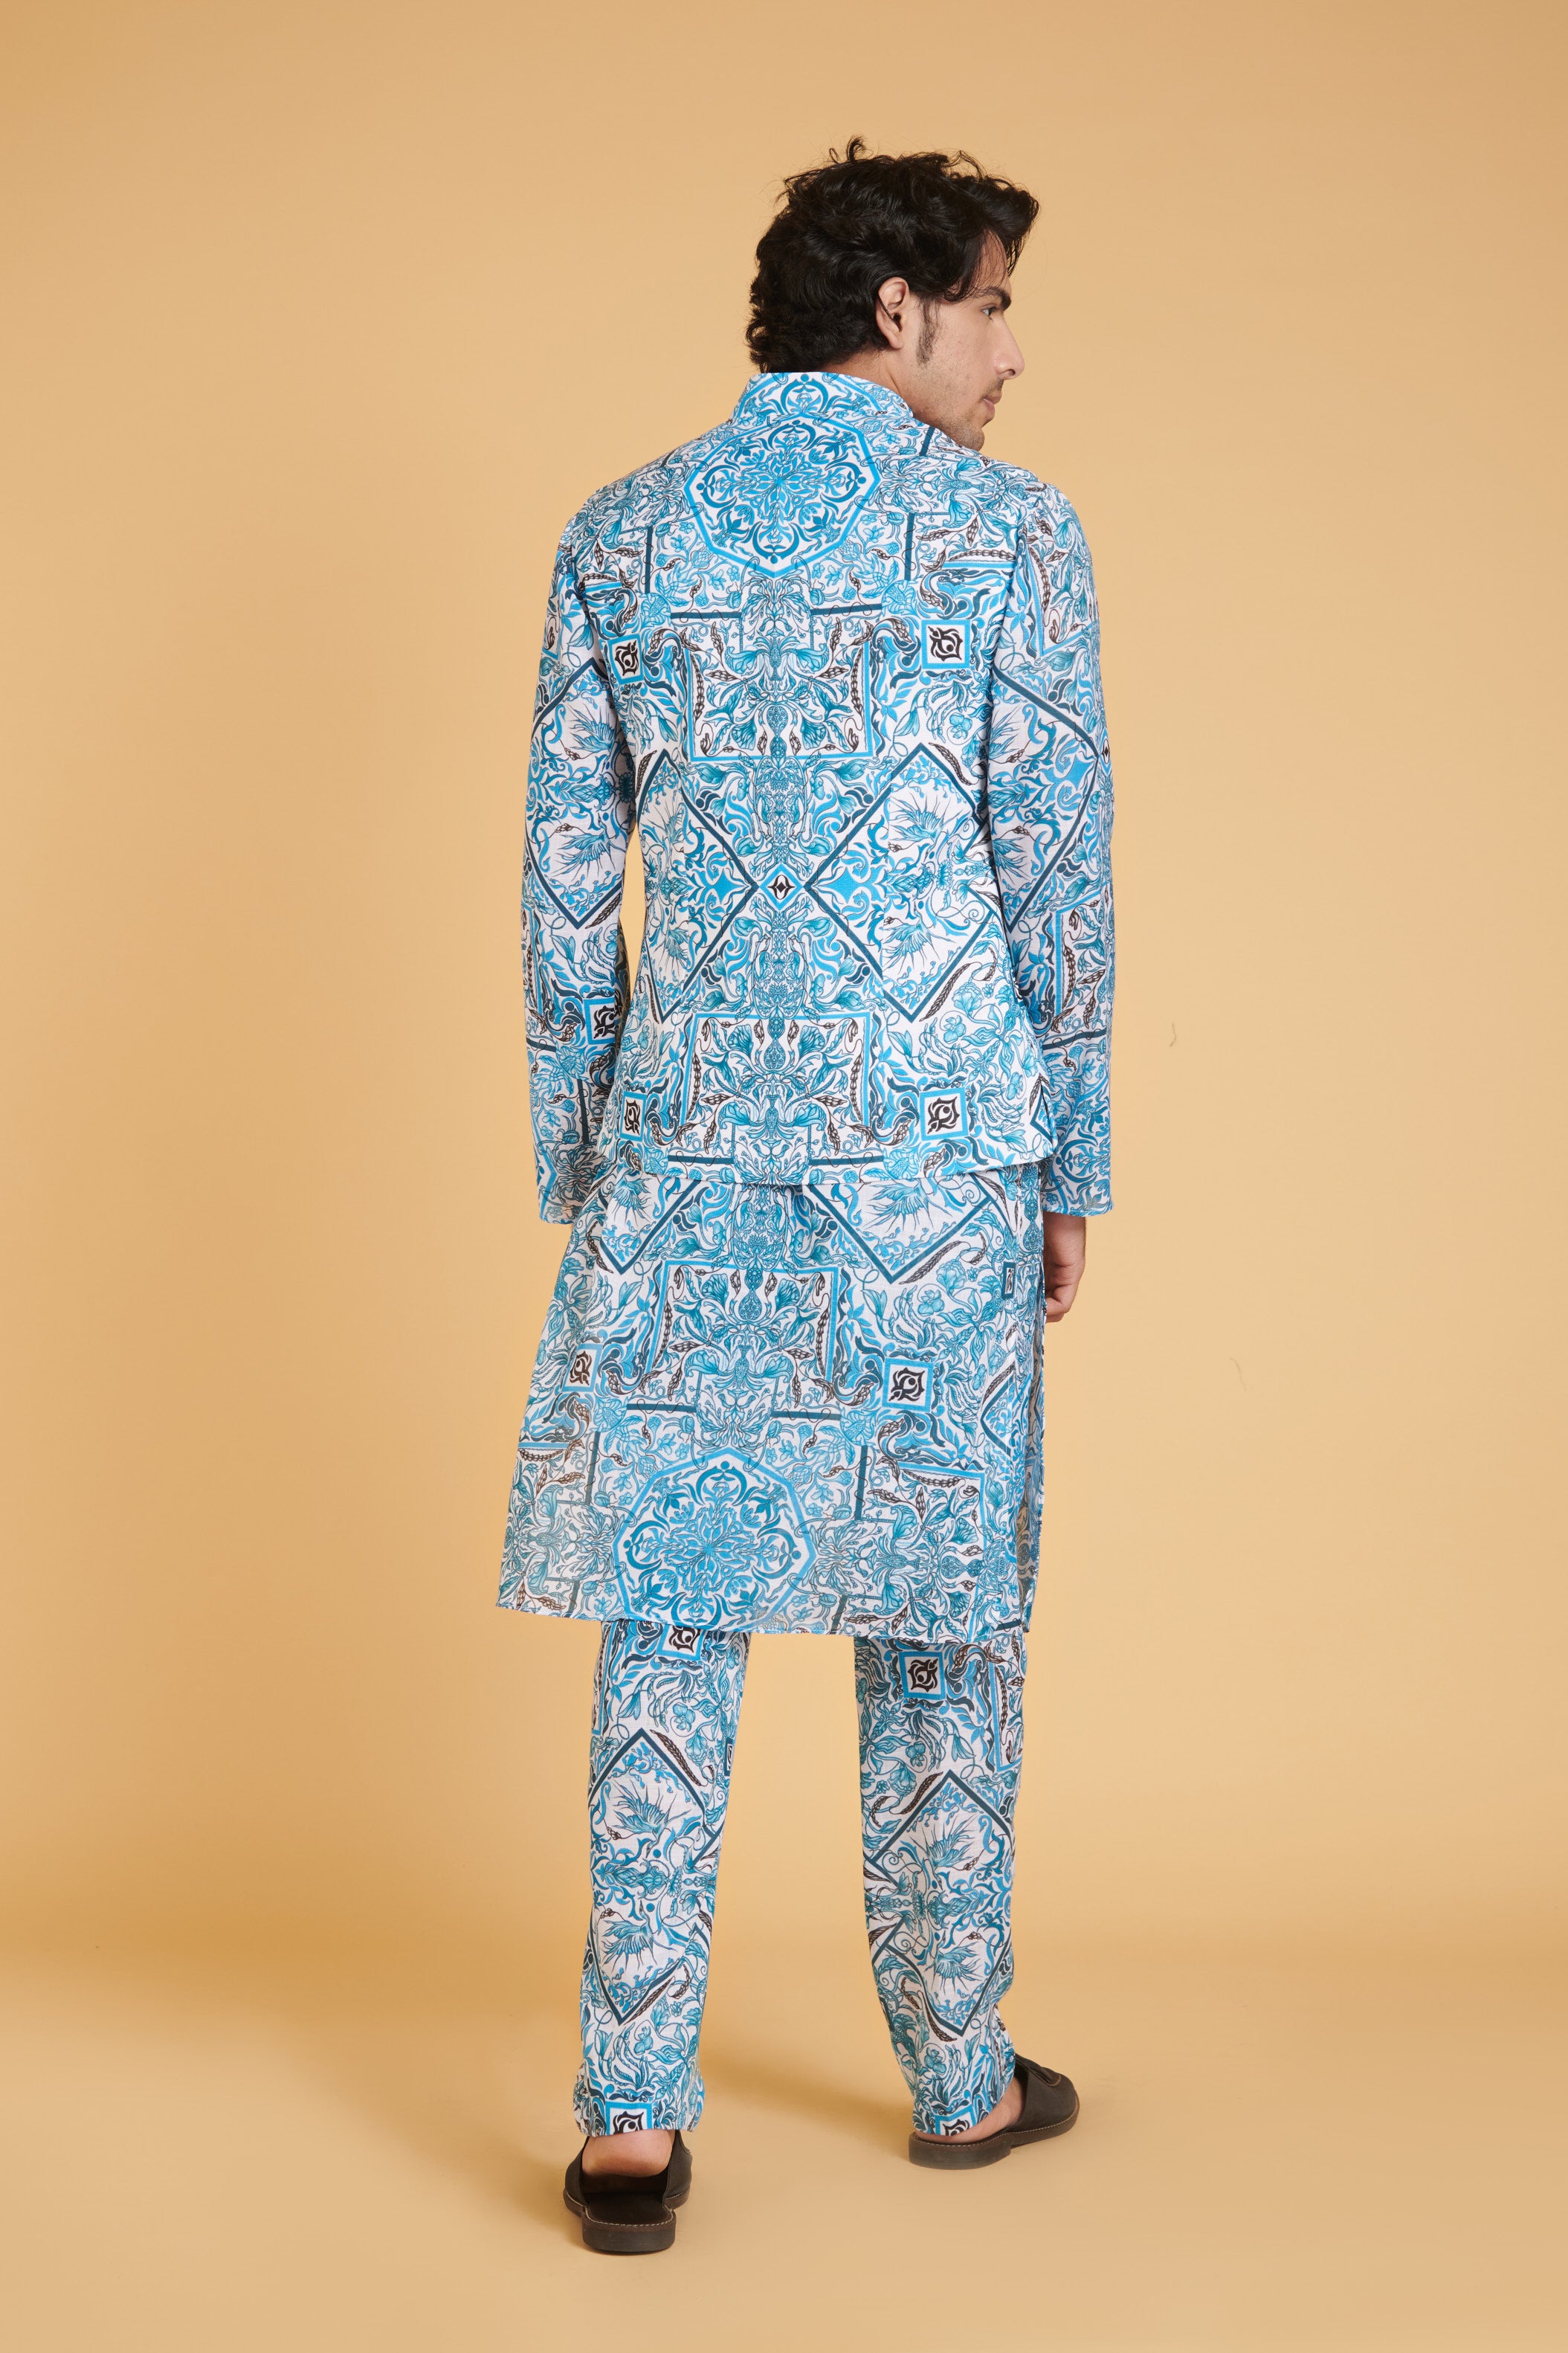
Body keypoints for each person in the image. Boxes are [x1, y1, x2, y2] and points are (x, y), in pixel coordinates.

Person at [500, 139, 1114, 2253]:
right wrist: (1073, 1156)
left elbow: (565, 892)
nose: (1012, 353)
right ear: (899, 309)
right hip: (934, 1162)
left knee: (668, 1613)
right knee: (940, 1608)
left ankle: (629, 2121)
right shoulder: (1013, 538)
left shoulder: (621, 532)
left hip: (686, 1153)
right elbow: (1056, 876)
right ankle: (958, 2073)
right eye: (996, 304)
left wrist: (591, 1155)